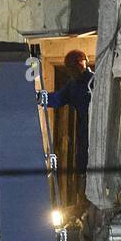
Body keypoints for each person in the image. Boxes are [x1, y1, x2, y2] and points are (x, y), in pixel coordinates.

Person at [40, 49, 94, 177]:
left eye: (73, 67)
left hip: (97, 128)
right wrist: (40, 98)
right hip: (85, 130)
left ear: (83, 63)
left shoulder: (95, 81)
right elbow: (58, 99)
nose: (72, 72)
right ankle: (84, 175)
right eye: (69, 69)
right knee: (83, 161)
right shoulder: (73, 85)